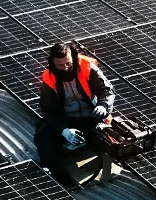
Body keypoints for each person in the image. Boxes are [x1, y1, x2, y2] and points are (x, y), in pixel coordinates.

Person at [34, 42, 115, 188]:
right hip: (66, 120)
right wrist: (64, 130)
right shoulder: (49, 78)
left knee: (111, 143)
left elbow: (107, 91)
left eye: (68, 63)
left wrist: (103, 106)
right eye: (60, 65)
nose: (65, 68)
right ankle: (65, 182)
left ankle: (107, 178)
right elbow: (49, 111)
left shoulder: (87, 67)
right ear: (52, 63)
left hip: (91, 117)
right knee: (42, 138)